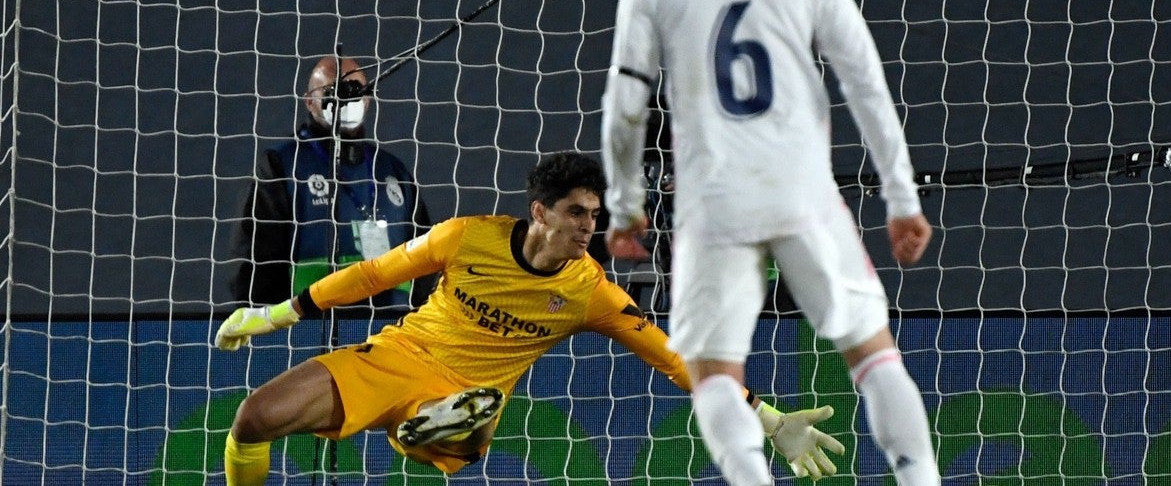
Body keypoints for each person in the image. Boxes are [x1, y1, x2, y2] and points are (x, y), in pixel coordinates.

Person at [600, 0, 940, 485]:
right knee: (874, 355)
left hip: (713, 203)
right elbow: (866, 85)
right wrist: (902, 200)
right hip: (803, 195)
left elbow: (626, 104)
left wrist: (625, 205)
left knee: (715, 375)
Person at [213, 152, 845, 484]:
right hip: (400, 356)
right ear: (541, 212)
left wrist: (768, 418)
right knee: (254, 419)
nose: (589, 226)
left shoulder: (590, 292)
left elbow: (675, 358)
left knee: (472, 414)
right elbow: (373, 274)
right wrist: (274, 315)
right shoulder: (466, 236)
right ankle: (425, 422)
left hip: (469, 395)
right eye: (576, 213)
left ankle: (441, 426)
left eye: (594, 215)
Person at [229, 55, 435, 311]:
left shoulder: (393, 171)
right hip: (310, 326)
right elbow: (252, 264)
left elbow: (427, 258)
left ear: (368, 99)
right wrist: (275, 325)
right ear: (309, 101)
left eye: (355, 92)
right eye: (332, 92)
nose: (346, 101)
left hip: (393, 326)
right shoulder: (282, 166)